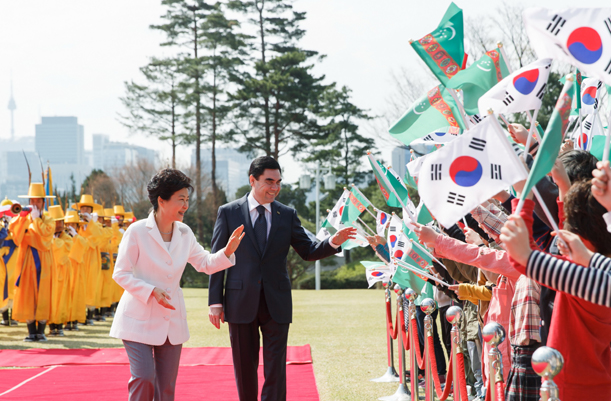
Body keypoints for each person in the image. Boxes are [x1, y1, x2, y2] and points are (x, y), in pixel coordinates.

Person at [208, 156, 357, 401]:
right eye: (269, 182)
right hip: (239, 300)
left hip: (276, 302)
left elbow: (308, 251)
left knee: (276, 368)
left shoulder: (286, 214)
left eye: (278, 182)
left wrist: (333, 242)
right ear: (252, 180)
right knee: (244, 366)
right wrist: (215, 302)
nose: (275, 188)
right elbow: (217, 259)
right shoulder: (228, 212)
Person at [110, 168, 245, 401]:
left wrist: (227, 251)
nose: (186, 205)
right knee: (143, 378)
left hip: (171, 322)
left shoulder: (185, 232)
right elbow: (120, 273)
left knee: (166, 390)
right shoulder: (137, 231)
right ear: (161, 200)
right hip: (137, 320)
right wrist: (151, 291)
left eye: (187, 200)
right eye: (181, 199)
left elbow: (204, 262)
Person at [10, 183, 56, 341]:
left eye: (38, 201)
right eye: (32, 200)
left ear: (44, 202)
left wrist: (36, 221)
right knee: (27, 293)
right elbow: (16, 237)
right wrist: (23, 218)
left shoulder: (49, 219)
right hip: (27, 259)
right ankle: (31, 332)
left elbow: (46, 238)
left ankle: (41, 331)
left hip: (44, 260)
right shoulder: (24, 217)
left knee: (43, 293)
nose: (35, 204)